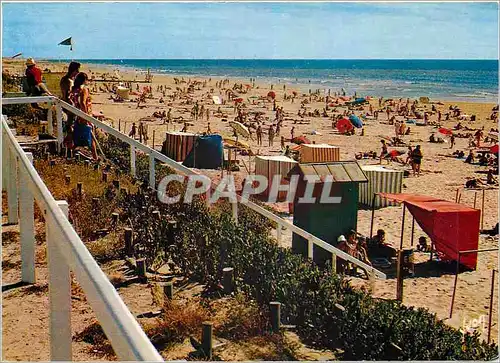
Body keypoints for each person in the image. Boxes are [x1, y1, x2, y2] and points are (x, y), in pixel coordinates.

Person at [69, 72, 98, 160]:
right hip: (83, 115)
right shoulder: (83, 89)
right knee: (91, 136)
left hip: (77, 114)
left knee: (78, 135)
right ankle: (95, 157)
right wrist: (86, 116)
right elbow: (82, 102)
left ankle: (72, 153)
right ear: (84, 80)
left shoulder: (74, 89)